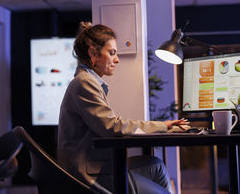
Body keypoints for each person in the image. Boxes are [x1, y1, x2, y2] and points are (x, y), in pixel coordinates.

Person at [57, 22, 188, 193]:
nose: (117, 60)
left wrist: (164, 126)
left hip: (94, 165)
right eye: (112, 53)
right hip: (88, 175)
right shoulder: (84, 83)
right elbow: (113, 127)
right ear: (93, 53)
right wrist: (163, 126)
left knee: (155, 165)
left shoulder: (87, 82)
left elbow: (112, 126)